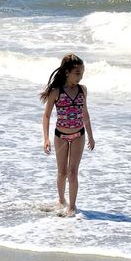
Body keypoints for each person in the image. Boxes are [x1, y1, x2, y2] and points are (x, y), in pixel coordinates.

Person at [39, 53, 95, 217]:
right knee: (62, 172)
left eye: (82, 73)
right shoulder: (56, 91)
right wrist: (46, 138)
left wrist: (90, 136)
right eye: (77, 73)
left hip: (79, 135)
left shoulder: (82, 90)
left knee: (73, 173)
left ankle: (72, 206)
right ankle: (61, 200)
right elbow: (46, 115)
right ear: (67, 72)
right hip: (60, 136)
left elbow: (85, 113)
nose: (80, 77)